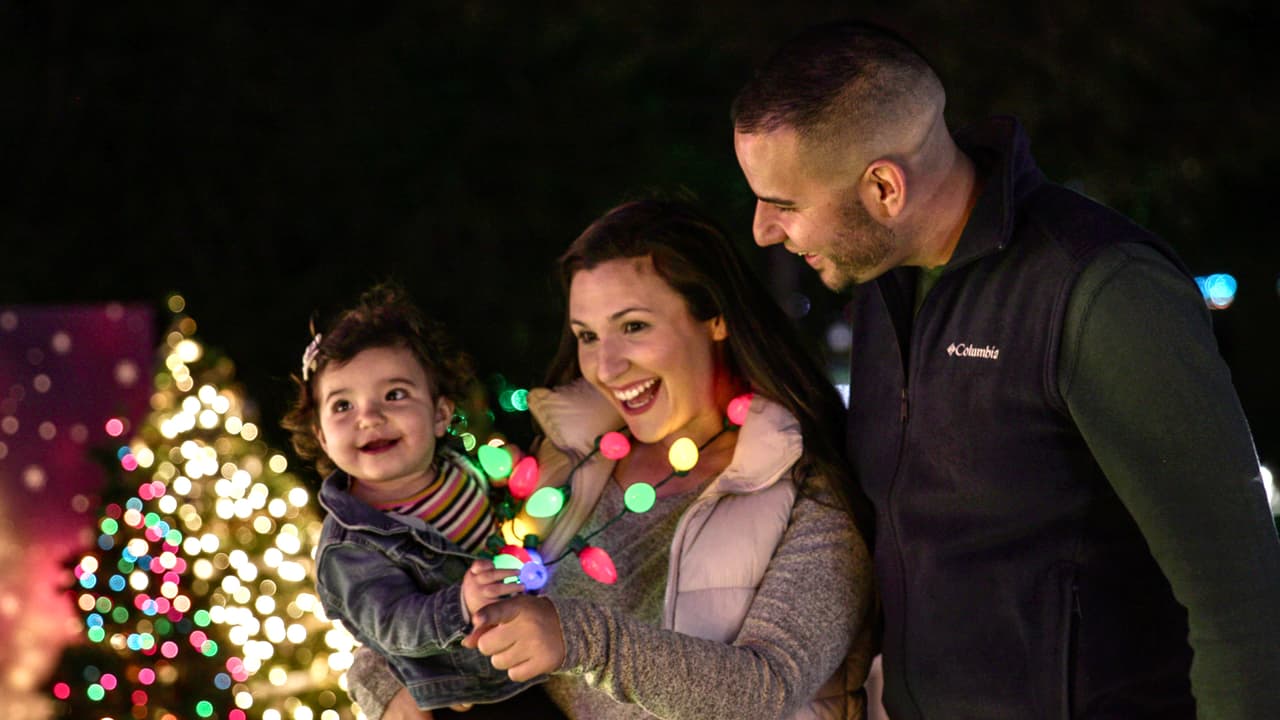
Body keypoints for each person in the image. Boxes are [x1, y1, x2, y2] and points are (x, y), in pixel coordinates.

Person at [731, 20, 1280, 720]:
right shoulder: (883, 290)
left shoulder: (1098, 291)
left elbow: (1239, 598)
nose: (763, 230)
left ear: (884, 189)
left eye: (783, 205)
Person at [345, 198, 876, 719]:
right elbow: (438, 593)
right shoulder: (572, 461)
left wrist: (577, 639)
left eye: (634, 327)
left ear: (714, 317)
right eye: (587, 336)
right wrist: (385, 681)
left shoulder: (805, 492)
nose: (607, 365)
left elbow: (768, 688)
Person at [282, 282, 542, 716]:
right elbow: (392, 623)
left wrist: (511, 486)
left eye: (394, 395)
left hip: (527, 648)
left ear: (440, 414)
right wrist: (460, 603)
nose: (370, 417)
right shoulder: (351, 545)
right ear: (322, 436)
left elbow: (488, 526)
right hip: (466, 693)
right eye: (343, 405)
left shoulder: (457, 469)